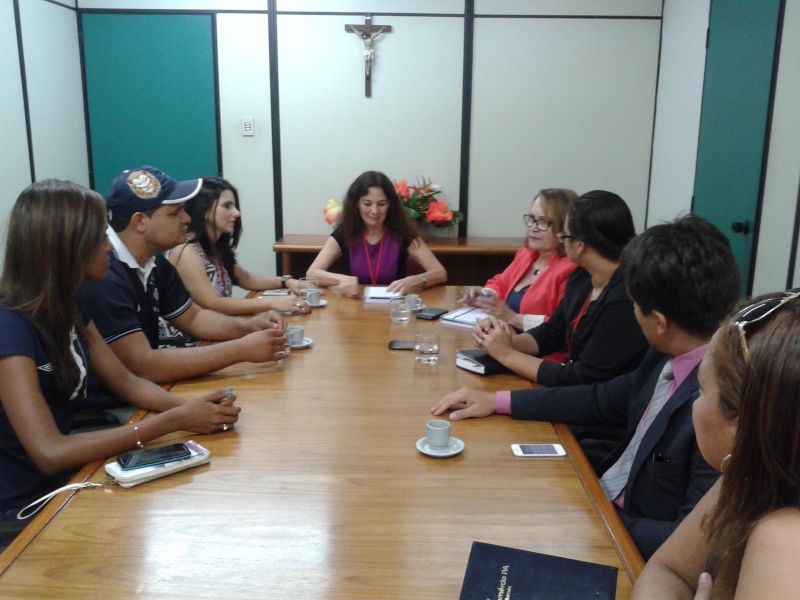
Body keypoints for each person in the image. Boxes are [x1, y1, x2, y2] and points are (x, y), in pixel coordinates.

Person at [432, 215, 741, 559]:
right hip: (600, 498)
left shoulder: (721, 404)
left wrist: (586, 515)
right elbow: (600, 400)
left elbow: (686, 542)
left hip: (625, 543)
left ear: (659, 322)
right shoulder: (666, 354)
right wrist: (498, 401)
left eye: (635, 305)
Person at [0, 180, 241, 547]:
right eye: (99, 238)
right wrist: (172, 421)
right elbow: (49, 452)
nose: (108, 246)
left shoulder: (70, 306)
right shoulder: (10, 325)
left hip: (71, 479)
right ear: (67, 248)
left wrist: (193, 409)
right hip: (22, 507)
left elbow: (126, 381)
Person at [632, 292, 800, 599]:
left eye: (700, 389)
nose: (694, 404)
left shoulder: (786, 541)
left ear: (742, 424)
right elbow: (668, 570)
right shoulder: (749, 472)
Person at [77, 166, 287, 409]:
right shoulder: (104, 274)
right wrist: (241, 349)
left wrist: (250, 326)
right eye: (175, 213)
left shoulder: (154, 261)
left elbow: (194, 317)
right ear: (140, 222)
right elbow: (144, 366)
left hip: (148, 391)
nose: (187, 219)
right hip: (114, 410)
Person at [473, 190, 647, 386]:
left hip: (592, 403)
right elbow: (553, 332)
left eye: (564, 235)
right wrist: (502, 341)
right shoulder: (582, 277)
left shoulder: (624, 300)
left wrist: (506, 354)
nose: (562, 241)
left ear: (579, 245)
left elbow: (582, 379)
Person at [162, 177, 309, 347]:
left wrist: (286, 281)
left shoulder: (216, 247)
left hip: (218, 334)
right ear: (204, 210)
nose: (237, 213)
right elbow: (212, 304)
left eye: (235, 206)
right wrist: (273, 303)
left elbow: (246, 279)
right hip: (191, 343)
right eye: (227, 206)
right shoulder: (186, 251)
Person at [306, 170, 447, 297]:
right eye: (367, 204)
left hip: (393, 309)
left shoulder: (402, 232)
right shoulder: (345, 231)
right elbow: (311, 274)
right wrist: (341, 279)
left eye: (381, 204)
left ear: (390, 204)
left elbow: (440, 273)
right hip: (353, 308)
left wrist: (417, 280)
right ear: (356, 204)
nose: (375, 211)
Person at [460, 188, 577, 331]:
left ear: (564, 228)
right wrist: (484, 296)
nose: (533, 227)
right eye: (531, 219)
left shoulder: (571, 269)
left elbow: (562, 326)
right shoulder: (527, 254)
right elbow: (501, 283)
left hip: (540, 351)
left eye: (543, 222)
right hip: (508, 340)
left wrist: (512, 317)